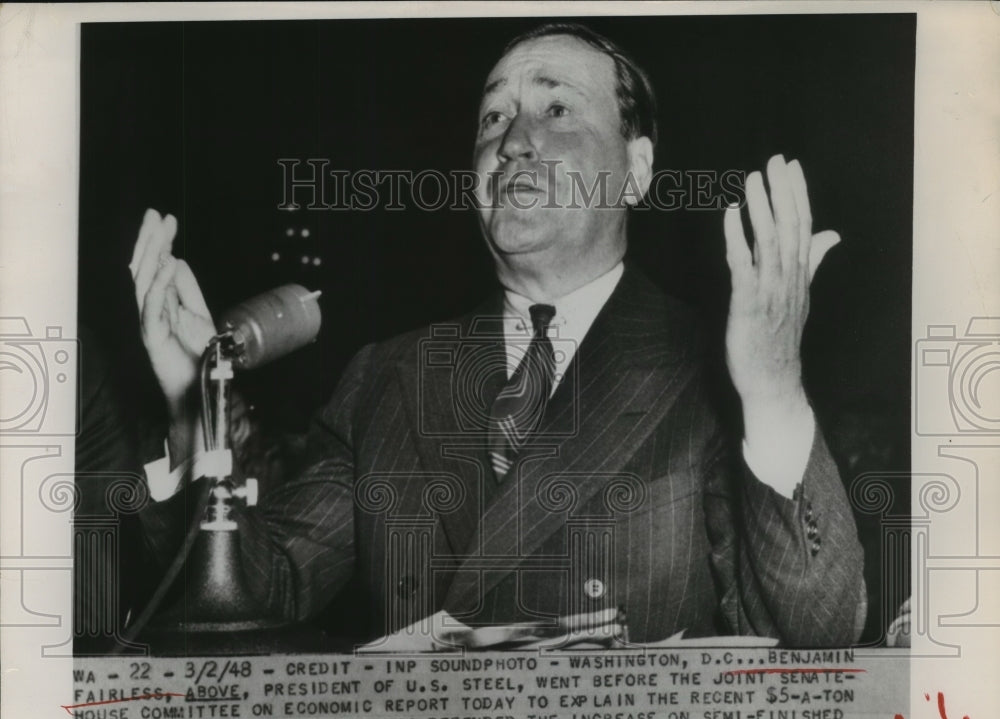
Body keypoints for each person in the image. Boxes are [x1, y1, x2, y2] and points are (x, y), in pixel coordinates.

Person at [132, 23, 865, 647]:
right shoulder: (383, 377)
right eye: (492, 119)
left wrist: (771, 389)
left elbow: (817, 635)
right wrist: (191, 406)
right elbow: (254, 598)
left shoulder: (712, 369)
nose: (514, 141)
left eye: (556, 110)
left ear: (635, 170)